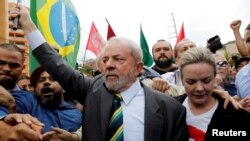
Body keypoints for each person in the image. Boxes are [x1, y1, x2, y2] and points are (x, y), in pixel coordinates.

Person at [12, 5, 189, 141]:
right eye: (105, 60)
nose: (109, 65)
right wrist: (27, 25)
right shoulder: (92, 91)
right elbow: (55, 64)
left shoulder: (170, 108)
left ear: (138, 67)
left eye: (118, 59)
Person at [0, 42, 81, 133]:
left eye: (52, 79)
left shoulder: (76, 114)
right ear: (35, 88)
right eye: (41, 80)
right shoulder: (25, 99)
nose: (46, 82)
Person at [175, 47, 250, 140]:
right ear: (181, 80)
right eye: (191, 82)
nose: (199, 88)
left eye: (206, 81)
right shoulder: (169, 110)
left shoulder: (238, 116)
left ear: (215, 78)